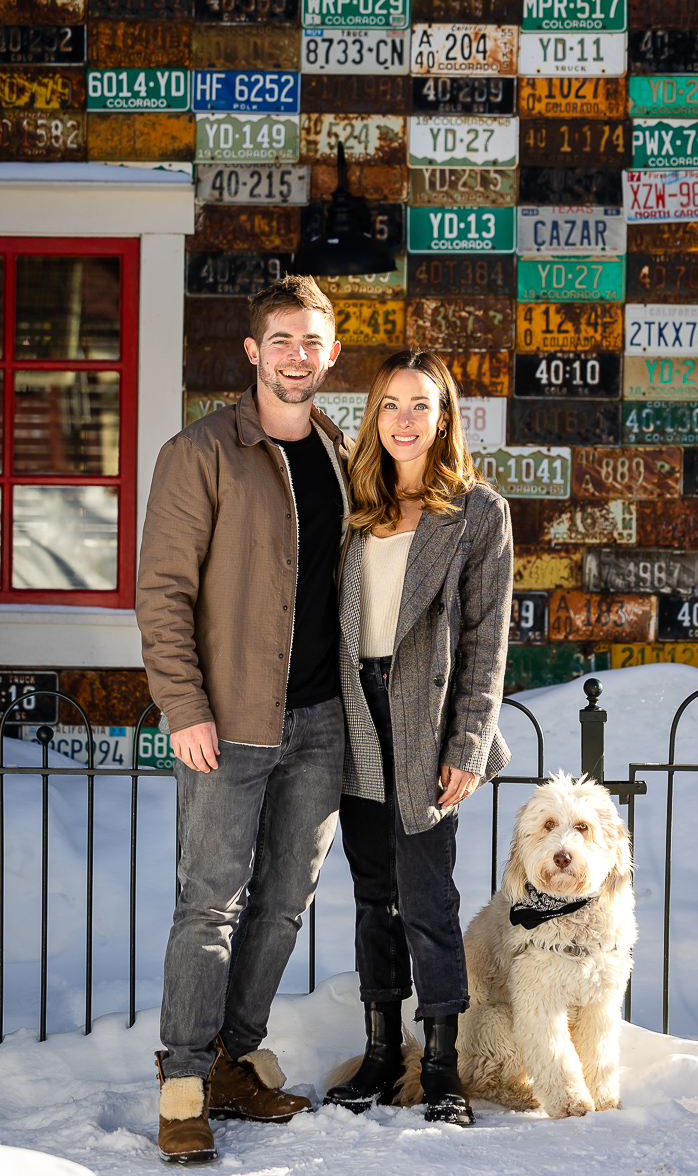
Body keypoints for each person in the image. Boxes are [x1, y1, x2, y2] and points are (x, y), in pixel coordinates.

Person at [136, 276, 350, 1164]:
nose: (299, 356)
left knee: (284, 905)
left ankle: (234, 1059)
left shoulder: (341, 448)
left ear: (331, 353)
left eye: (314, 341)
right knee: (209, 906)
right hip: (228, 722)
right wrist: (183, 707)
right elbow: (163, 592)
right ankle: (183, 1082)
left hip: (322, 722)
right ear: (254, 352)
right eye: (283, 341)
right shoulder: (202, 452)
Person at [324, 350, 513, 1127]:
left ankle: (440, 1070)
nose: (403, 419)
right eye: (390, 404)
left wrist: (466, 748)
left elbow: (486, 642)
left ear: (444, 418)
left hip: (424, 721)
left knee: (427, 900)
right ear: (374, 416)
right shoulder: (353, 501)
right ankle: (379, 1053)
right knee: (374, 899)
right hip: (351, 714)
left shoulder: (476, 513)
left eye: (420, 405)